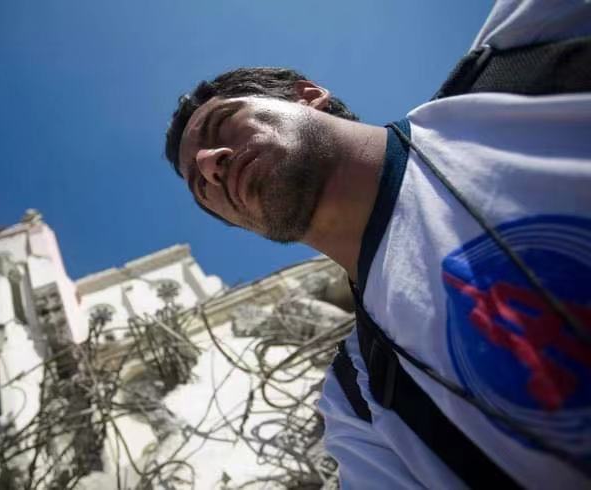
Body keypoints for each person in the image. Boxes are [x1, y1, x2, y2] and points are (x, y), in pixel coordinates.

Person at [164, 0, 591, 487]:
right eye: (200, 186)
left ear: (308, 96)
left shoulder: (521, 58)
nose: (211, 165)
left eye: (221, 125)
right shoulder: (361, 406)